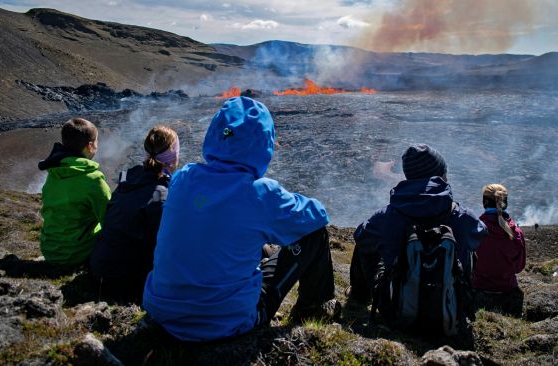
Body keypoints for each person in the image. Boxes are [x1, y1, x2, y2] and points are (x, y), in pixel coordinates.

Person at [142, 96, 338, 342]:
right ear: (264, 142)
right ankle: (313, 312)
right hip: (226, 322)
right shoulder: (261, 193)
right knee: (314, 234)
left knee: (257, 243)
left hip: (163, 312)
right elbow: (317, 216)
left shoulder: (183, 178)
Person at [349, 144, 487, 304]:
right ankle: (463, 300)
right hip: (449, 311)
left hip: (397, 310)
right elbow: (480, 233)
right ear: (439, 176)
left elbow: (361, 236)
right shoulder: (461, 215)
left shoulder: (388, 215)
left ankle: (359, 296)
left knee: (366, 237)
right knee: (468, 246)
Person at [90, 126, 179, 301]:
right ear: (174, 157)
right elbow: (164, 242)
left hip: (99, 266)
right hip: (126, 280)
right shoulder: (162, 194)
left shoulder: (129, 178)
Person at [38, 118, 111, 267]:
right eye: (96, 142)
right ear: (90, 146)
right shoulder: (93, 180)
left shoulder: (54, 172)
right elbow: (109, 219)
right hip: (77, 253)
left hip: (49, 251)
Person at [471, 184, 526, 316]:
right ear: (505, 203)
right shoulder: (516, 233)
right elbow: (519, 267)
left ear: (484, 202)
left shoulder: (474, 230)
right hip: (507, 288)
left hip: (479, 287)